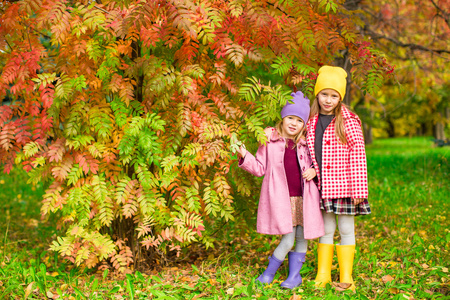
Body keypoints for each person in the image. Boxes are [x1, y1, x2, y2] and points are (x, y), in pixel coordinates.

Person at [236, 91, 324, 289]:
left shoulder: (305, 143)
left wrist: (313, 171)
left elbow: (317, 164)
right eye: (290, 118)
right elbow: (259, 168)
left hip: (304, 198)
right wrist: (244, 155)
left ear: (304, 124)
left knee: (302, 236)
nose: (294, 123)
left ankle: (294, 276)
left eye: (299, 120)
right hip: (283, 199)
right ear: (283, 118)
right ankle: (269, 273)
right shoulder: (269, 140)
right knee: (289, 237)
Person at [306, 66, 371, 291]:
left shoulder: (349, 120)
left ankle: (346, 276)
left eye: (334, 96)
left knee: (346, 230)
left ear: (340, 98)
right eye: (324, 94)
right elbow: (307, 151)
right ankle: (323, 274)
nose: (328, 99)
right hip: (322, 188)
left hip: (345, 188)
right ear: (317, 94)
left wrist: (359, 190)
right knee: (325, 229)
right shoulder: (310, 121)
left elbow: (358, 156)